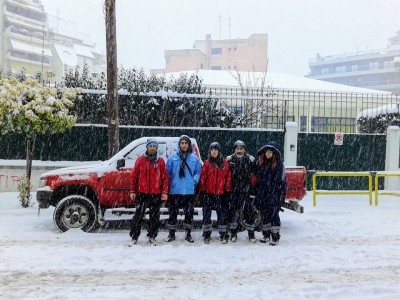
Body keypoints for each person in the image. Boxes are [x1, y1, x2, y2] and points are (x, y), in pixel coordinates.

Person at [129, 138, 169, 246]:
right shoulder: (140, 160)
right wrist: (133, 190)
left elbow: (165, 178)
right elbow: (134, 176)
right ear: (147, 147)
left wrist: (164, 192)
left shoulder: (160, 161)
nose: (152, 148)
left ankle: (152, 236)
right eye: (150, 146)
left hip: (156, 194)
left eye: (154, 146)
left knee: (154, 217)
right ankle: (134, 236)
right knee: (138, 215)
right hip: (142, 193)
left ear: (157, 148)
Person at [165, 135, 202, 243]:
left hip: (188, 191)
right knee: (172, 213)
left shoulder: (194, 158)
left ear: (189, 145)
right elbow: (168, 173)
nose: (184, 145)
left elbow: (198, 172)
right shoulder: (172, 158)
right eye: (182, 143)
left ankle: (188, 234)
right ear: (179, 145)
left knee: (189, 213)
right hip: (175, 190)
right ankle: (171, 234)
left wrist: (194, 181)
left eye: (186, 143)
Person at [254, 141, 287, 246]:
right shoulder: (260, 163)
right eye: (266, 151)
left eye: (270, 152)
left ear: (274, 153)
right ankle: (266, 235)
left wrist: (281, 195)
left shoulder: (279, 165)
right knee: (264, 216)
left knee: (274, 216)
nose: (268, 154)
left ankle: (275, 237)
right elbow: (256, 177)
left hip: (273, 195)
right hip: (262, 194)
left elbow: (283, 181)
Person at [199, 142, 232, 244]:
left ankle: (223, 235)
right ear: (210, 151)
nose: (214, 152)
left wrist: (227, 191)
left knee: (222, 216)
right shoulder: (207, 163)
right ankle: (207, 235)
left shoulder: (225, 163)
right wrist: (202, 191)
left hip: (221, 194)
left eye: (216, 150)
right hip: (208, 193)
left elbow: (228, 178)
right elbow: (203, 178)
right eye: (212, 150)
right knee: (206, 215)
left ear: (219, 151)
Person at [226, 140, 256, 242]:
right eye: (237, 148)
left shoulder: (250, 160)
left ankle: (251, 234)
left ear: (244, 149)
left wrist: (252, 189)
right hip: (234, 191)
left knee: (248, 213)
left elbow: (254, 176)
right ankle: (233, 233)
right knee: (233, 212)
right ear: (234, 150)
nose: (239, 150)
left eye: (241, 148)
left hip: (246, 191)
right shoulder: (229, 160)